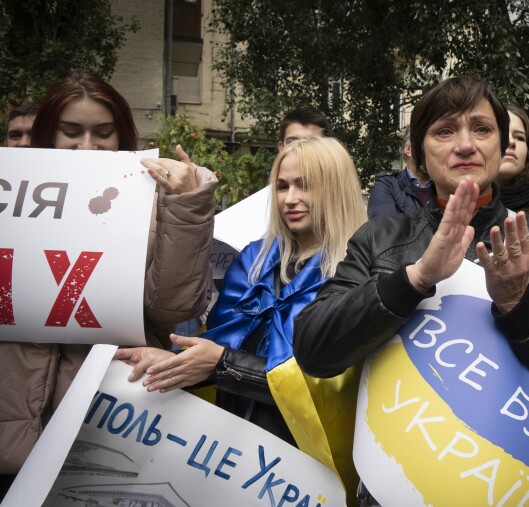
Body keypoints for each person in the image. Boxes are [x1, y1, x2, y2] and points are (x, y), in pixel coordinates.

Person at [294, 76, 529, 415]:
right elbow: (314, 353)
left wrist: (520, 304)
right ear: (419, 152)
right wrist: (414, 280)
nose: (465, 145)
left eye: (482, 129)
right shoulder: (379, 238)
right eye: (445, 131)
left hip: (516, 463)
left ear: (501, 147)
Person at [0, 71, 216, 494]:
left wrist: (185, 208)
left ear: (123, 135)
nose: (87, 146)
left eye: (103, 132)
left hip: (103, 430)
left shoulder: (155, 203)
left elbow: (173, 308)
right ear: (47, 133)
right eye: (70, 131)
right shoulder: (10, 198)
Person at [114, 136, 366, 442]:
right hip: (233, 441)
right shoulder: (253, 258)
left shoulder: (359, 272)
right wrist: (170, 362)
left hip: (311, 447)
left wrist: (223, 364)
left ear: (337, 190)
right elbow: (216, 351)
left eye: (305, 185)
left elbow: (331, 384)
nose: (289, 198)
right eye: (283, 186)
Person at [367, 127, 431, 218]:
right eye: (425, 143)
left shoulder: (447, 186)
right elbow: (385, 229)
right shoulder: (387, 186)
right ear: (408, 149)